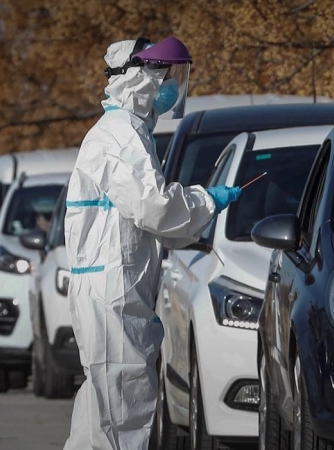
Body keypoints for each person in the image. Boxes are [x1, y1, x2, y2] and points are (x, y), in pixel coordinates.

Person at [63, 37, 241, 450]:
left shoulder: (128, 133)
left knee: (100, 416)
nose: (171, 86)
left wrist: (199, 209)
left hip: (115, 291)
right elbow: (155, 207)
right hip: (114, 295)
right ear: (139, 78)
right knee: (122, 414)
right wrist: (205, 200)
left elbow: (150, 220)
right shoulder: (120, 137)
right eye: (164, 75)